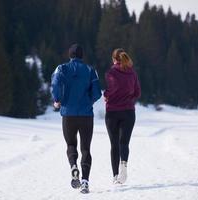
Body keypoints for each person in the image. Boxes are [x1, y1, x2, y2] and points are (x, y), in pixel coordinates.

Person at [51, 44, 102, 193]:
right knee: (86, 148)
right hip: (86, 115)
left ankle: (73, 166)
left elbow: (55, 83)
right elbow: (97, 92)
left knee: (71, 145)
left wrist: (57, 99)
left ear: (70, 55)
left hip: (68, 114)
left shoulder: (61, 68)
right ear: (81, 55)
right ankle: (85, 182)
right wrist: (89, 101)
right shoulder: (90, 70)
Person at [104, 48, 141, 184]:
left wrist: (106, 95)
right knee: (124, 142)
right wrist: (128, 97)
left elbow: (112, 88)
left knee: (114, 144)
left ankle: (115, 176)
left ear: (114, 59)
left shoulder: (110, 72)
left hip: (112, 113)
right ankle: (123, 165)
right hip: (129, 112)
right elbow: (137, 93)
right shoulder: (132, 73)